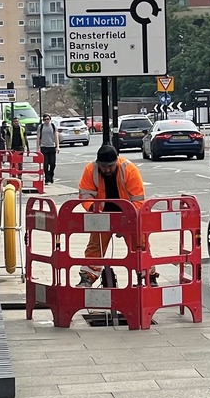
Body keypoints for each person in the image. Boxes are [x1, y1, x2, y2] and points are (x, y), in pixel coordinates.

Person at [76, 143, 157, 287]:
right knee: (95, 246)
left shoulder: (129, 169)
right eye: (104, 166)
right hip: (102, 215)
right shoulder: (91, 169)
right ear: (98, 163)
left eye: (110, 166)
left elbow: (138, 201)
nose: (107, 170)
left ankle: (148, 276)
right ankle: (88, 276)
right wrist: (93, 209)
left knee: (140, 245)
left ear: (116, 161)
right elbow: (85, 194)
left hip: (129, 214)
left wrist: (125, 222)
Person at [36, 114, 60, 184]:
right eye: (45, 119)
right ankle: (47, 178)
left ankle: (51, 175)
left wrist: (57, 146)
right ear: (43, 120)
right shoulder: (40, 127)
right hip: (44, 147)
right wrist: (37, 148)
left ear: (50, 119)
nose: (46, 121)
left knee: (53, 164)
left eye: (48, 119)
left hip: (52, 147)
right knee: (45, 164)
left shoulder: (53, 126)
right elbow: (38, 138)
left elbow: (56, 137)